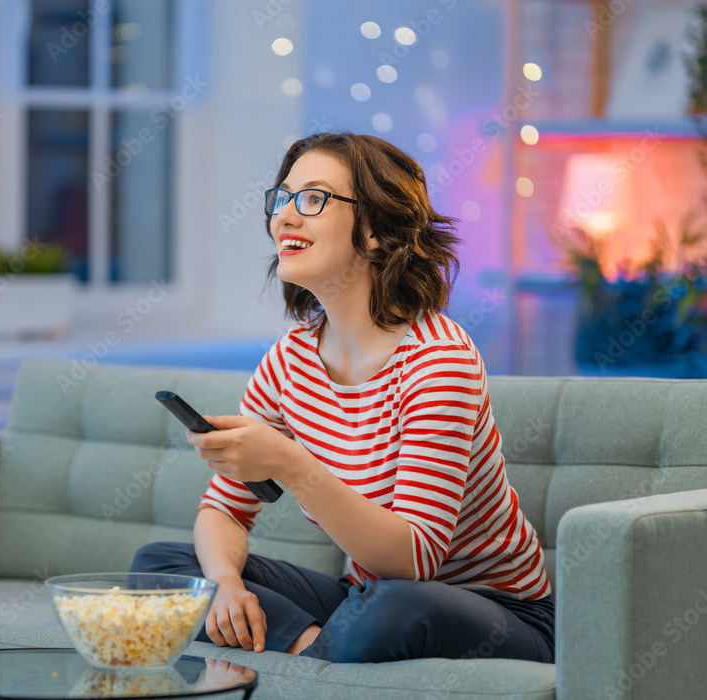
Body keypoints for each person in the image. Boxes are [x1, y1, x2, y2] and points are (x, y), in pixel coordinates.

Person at [130, 132, 554, 664]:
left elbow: (413, 560)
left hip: (493, 612)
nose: (284, 217)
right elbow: (225, 510)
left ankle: (319, 656)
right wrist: (225, 586)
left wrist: (288, 461)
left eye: (312, 199)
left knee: (391, 608)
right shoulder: (289, 362)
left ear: (375, 230)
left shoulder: (436, 360)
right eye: (282, 198)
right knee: (162, 567)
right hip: (364, 599)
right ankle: (322, 659)